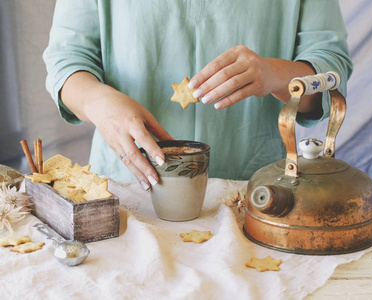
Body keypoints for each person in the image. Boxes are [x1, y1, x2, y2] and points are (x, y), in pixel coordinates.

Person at [43, 0, 352, 191]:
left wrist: (275, 74)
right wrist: (98, 102)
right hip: (124, 189)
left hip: (254, 190)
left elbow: (331, 68)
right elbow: (67, 62)